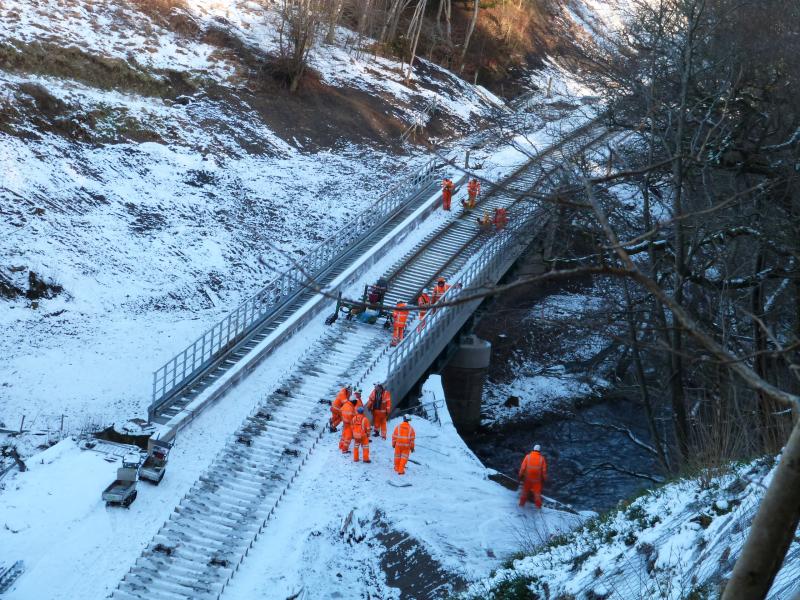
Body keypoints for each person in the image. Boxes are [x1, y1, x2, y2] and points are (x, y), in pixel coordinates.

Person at [518, 444, 548, 509]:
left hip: (527, 479)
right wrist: (545, 479)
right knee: (537, 494)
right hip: (537, 480)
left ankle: (521, 505)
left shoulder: (527, 457)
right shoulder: (542, 459)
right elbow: (544, 471)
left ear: (533, 449)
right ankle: (538, 507)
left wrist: (520, 475)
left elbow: (522, 468)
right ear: (539, 450)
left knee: (524, 492)